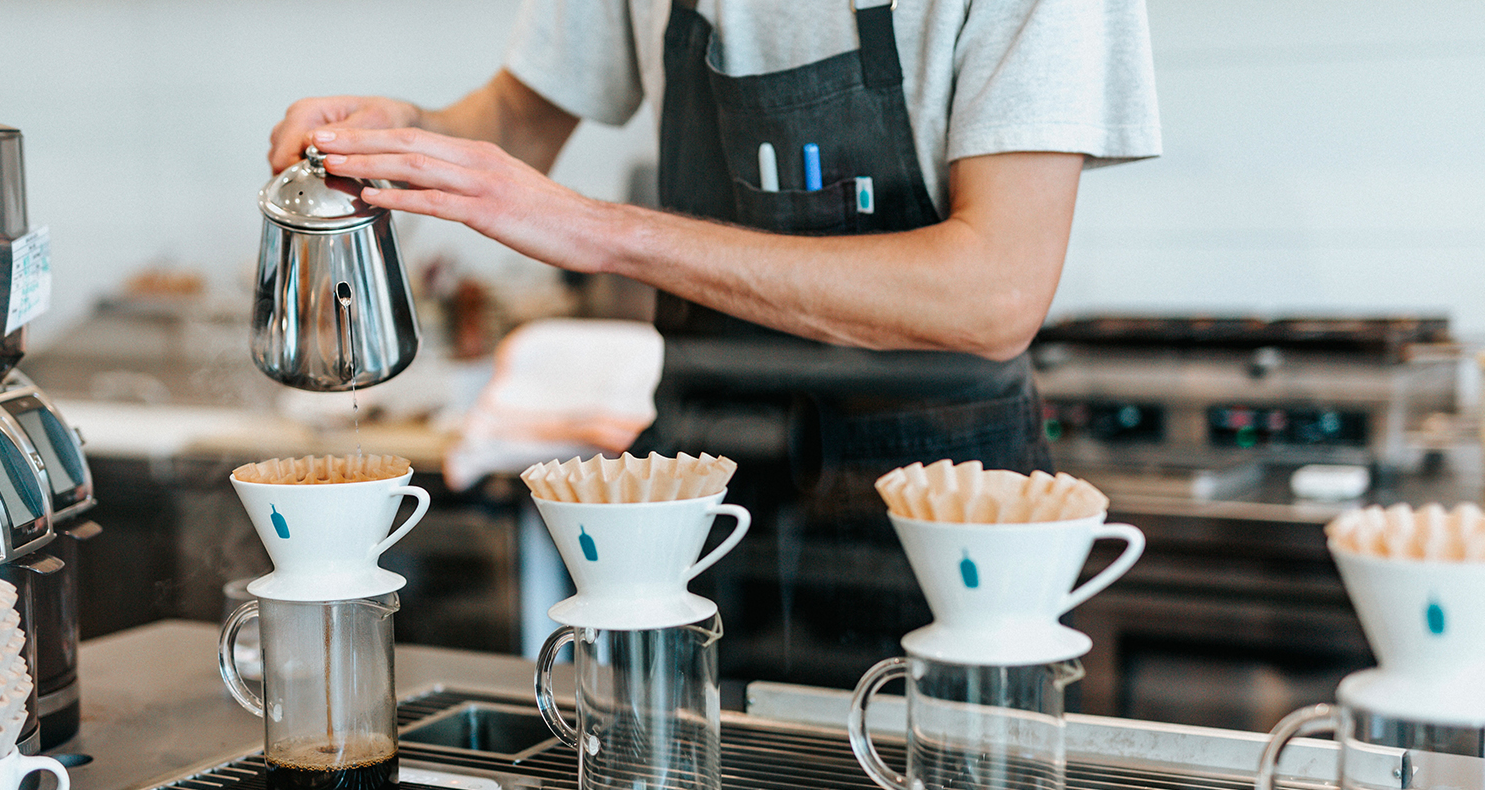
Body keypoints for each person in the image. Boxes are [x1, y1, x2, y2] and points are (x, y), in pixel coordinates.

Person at [270, 0, 1160, 686]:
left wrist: (598, 231)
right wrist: (404, 131)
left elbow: (993, 292)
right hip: (700, 487)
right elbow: (520, 116)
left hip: (943, 506)